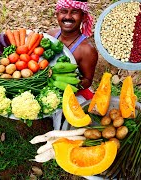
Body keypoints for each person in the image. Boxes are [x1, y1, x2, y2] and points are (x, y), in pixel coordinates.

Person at [48, 0, 98, 130]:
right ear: (57, 14)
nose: (68, 17)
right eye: (64, 11)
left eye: (74, 12)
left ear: (83, 16)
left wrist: (65, 87)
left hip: (73, 92)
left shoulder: (87, 50)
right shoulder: (51, 35)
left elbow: (87, 80)